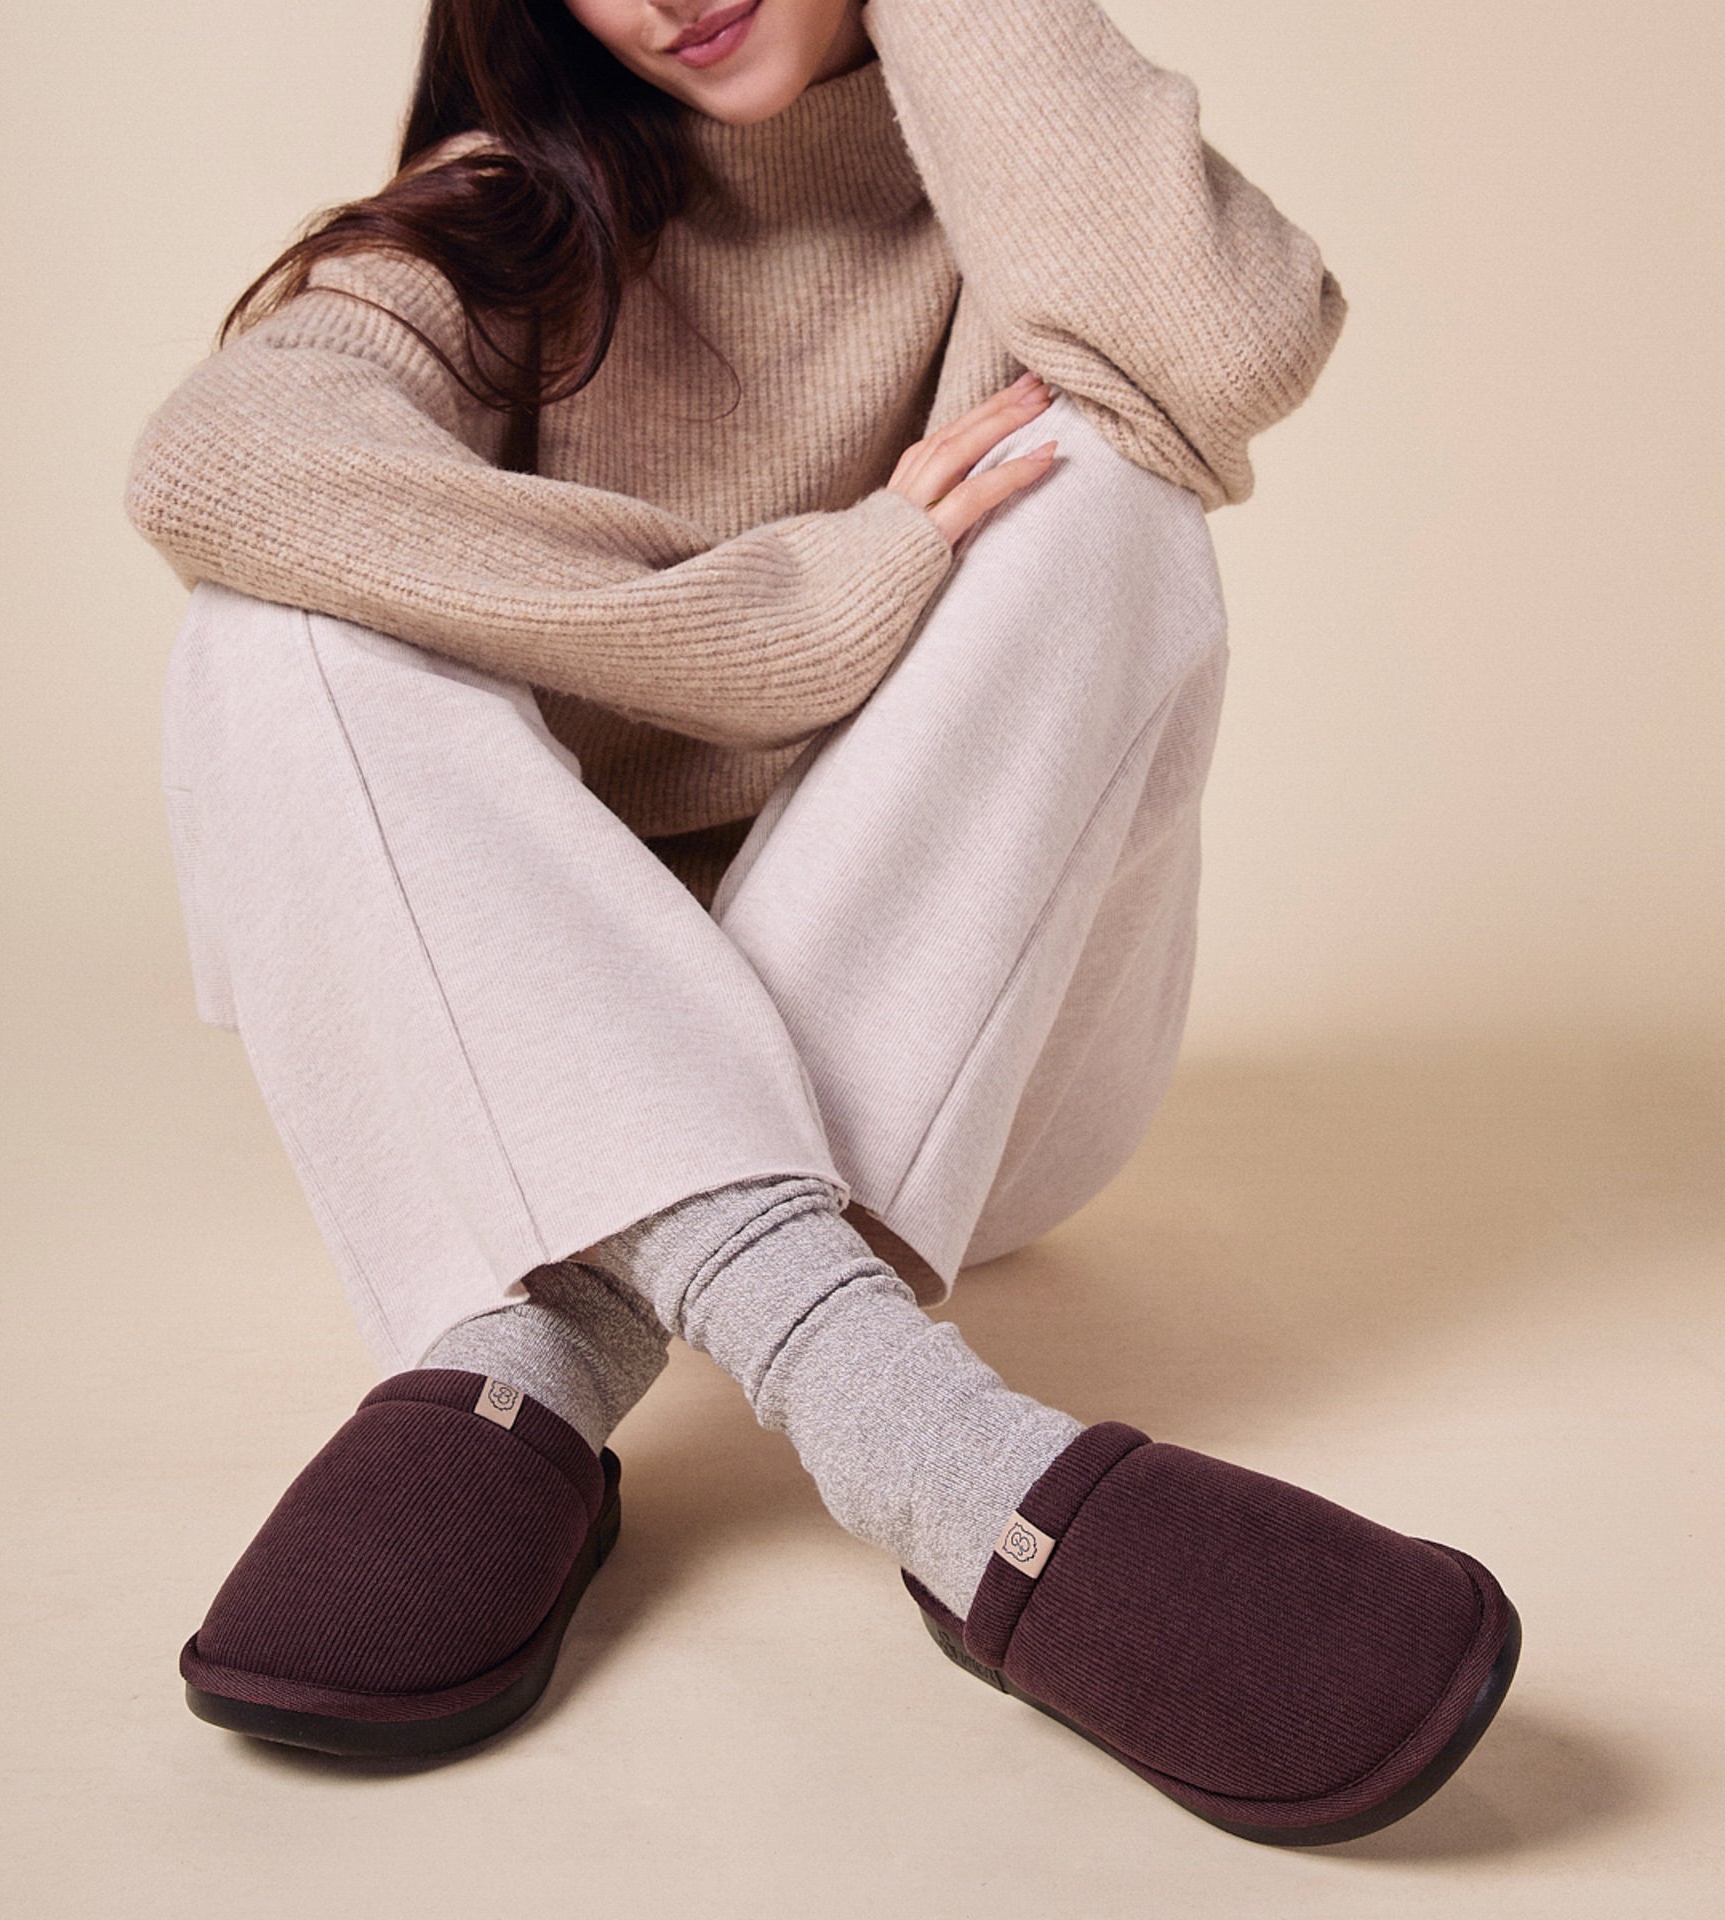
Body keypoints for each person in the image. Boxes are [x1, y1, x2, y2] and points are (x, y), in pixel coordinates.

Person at [128, 0, 1519, 1844]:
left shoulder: (1030, 196)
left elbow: (1218, 349)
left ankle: (538, 1347)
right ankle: (921, 1441)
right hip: (543, 1057)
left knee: (1111, 487)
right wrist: (796, 606)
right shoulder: (495, 227)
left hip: (972, 1088)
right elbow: (214, 467)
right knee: (269, 627)